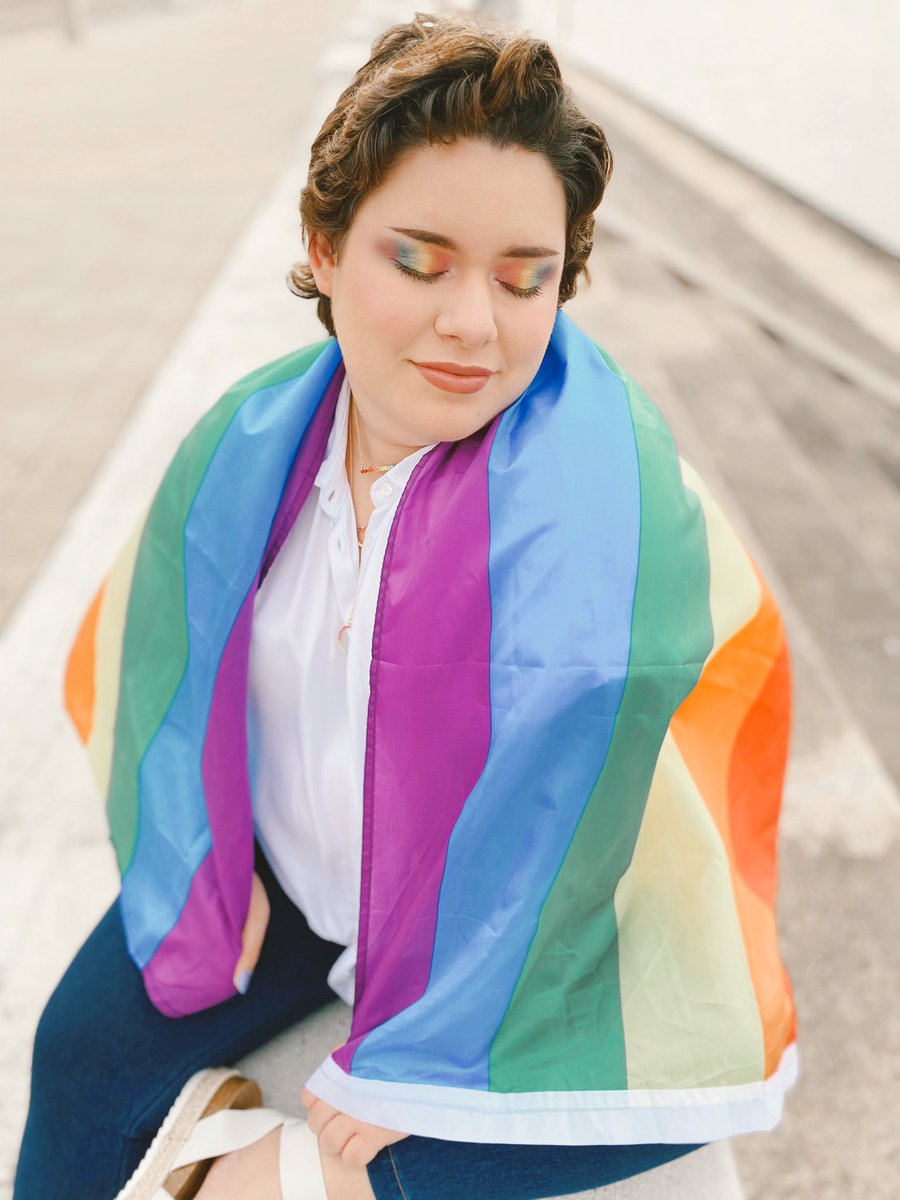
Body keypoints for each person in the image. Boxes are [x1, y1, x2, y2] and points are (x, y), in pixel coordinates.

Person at [13, 9, 797, 1200]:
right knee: (73, 1062)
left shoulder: (613, 515)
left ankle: (238, 1161)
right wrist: (206, 880)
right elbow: (161, 678)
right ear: (324, 247)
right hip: (293, 894)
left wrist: (379, 1092)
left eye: (526, 278)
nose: (473, 324)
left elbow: (590, 843)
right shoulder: (248, 448)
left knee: (440, 1151)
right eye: (419, 261)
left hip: (543, 942)